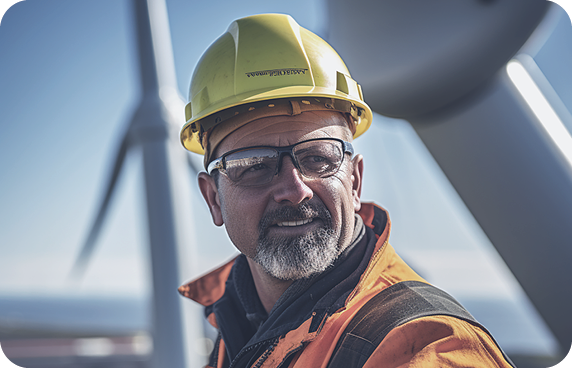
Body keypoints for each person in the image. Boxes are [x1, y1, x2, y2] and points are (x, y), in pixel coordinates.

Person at [178, 13, 514, 368]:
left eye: (318, 158)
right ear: (213, 199)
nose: (295, 190)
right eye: (255, 166)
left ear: (354, 181)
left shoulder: (425, 347)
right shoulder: (238, 320)